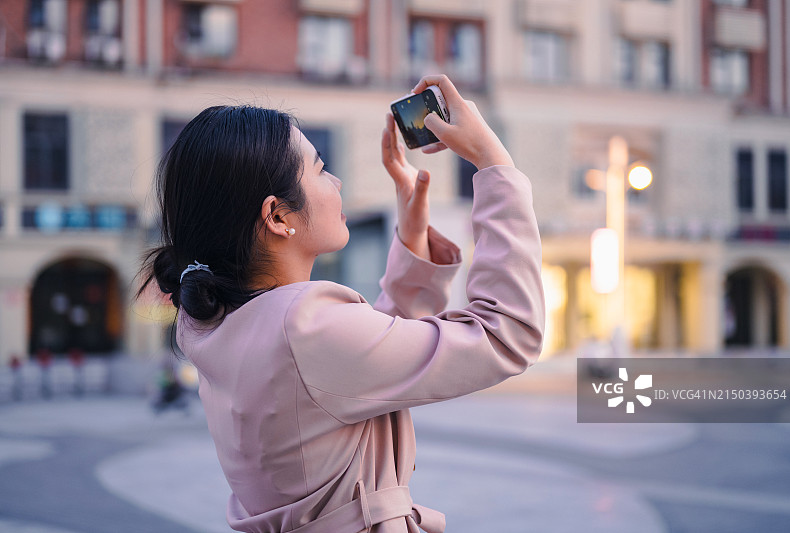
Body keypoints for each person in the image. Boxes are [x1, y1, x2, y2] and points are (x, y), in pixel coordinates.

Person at [136, 75, 545, 533]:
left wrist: (411, 235)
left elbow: (355, 367)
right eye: (320, 168)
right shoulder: (301, 326)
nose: (338, 181)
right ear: (277, 215)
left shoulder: (219, 325)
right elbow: (507, 333)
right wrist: (494, 167)